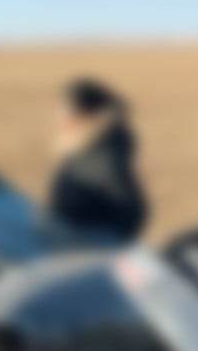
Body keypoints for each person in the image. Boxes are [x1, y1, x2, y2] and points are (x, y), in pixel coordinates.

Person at [47, 78, 148, 244]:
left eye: (65, 108)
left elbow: (125, 204)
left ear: (83, 112)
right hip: (83, 237)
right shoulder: (91, 145)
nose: (60, 115)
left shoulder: (100, 150)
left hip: (93, 241)